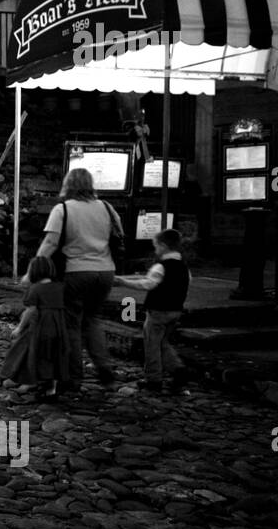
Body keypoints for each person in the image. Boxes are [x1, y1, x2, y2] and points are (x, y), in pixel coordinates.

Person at [36, 167, 124, 388]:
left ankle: (74, 377)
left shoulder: (62, 209)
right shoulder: (107, 207)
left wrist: (33, 269)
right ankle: (104, 369)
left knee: (71, 324)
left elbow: (51, 243)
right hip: (105, 271)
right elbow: (119, 234)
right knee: (92, 320)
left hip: (76, 271)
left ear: (69, 184)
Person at [116, 228, 191, 392]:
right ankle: (178, 369)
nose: (155, 249)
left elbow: (147, 284)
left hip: (158, 310)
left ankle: (154, 379)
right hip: (176, 310)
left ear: (163, 246)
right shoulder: (184, 268)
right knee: (163, 343)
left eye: (156, 246)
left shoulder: (160, 267)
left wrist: (122, 282)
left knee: (151, 345)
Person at [2, 255, 72, 400]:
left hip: (41, 327)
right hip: (59, 327)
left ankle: (31, 381)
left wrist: (20, 328)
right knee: (54, 356)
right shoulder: (60, 287)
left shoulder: (36, 289)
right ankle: (51, 389)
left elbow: (30, 310)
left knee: (36, 355)